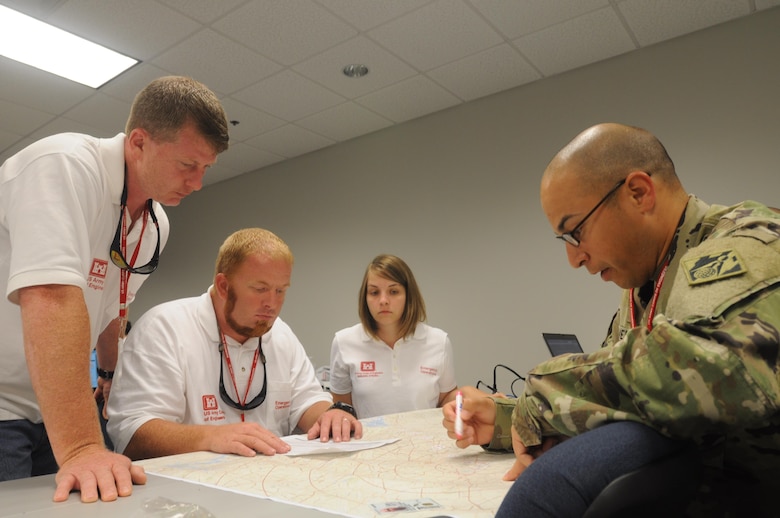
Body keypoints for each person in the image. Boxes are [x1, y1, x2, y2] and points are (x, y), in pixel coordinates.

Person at [442, 123, 780, 516]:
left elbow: (710, 371)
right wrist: (504, 420)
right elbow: (620, 397)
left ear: (639, 193)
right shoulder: (643, 286)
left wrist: (544, 389)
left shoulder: (750, 240)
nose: (574, 258)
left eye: (576, 231)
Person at [0, 75, 229, 502]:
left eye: (206, 169)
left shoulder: (154, 224)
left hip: (52, 408)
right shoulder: (64, 166)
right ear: (139, 141)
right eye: (187, 165)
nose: (197, 183)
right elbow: (50, 296)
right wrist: (84, 446)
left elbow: (111, 305)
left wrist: (108, 375)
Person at [106, 228, 363, 460]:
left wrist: (329, 415)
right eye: (260, 289)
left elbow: (306, 400)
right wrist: (210, 437)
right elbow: (132, 434)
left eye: (281, 290)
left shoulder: (281, 335)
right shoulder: (164, 328)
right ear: (223, 286)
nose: (272, 304)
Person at [330, 254, 458, 418]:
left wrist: (480, 401)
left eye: (393, 291)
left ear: (408, 296)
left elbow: (447, 399)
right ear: (365, 297)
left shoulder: (438, 341)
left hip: (422, 441)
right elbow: (342, 412)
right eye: (374, 292)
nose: (383, 300)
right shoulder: (344, 342)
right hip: (369, 442)